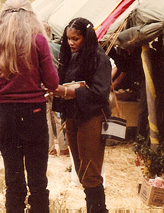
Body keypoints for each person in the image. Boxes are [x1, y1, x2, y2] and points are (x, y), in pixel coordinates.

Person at [0, 0, 59, 212]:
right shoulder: (38, 41)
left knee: (13, 181)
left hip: (7, 115)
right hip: (34, 113)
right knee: (38, 181)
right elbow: (53, 82)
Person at [51, 17, 111, 213]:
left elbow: (100, 93)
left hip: (91, 117)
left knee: (90, 170)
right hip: (74, 115)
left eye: (75, 38)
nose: (71, 43)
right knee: (80, 169)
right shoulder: (73, 56)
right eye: (68, 39)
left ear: (86, 37)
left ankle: (98, 209)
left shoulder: (98, 58)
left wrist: (68, 92)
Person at [43, 22, 68, 157]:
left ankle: (50, 148)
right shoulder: (58, 48)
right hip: (57, 86)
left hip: (43, 87)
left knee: (46, 117)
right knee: (58, 116)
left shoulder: (36, 48)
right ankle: (63, 148)